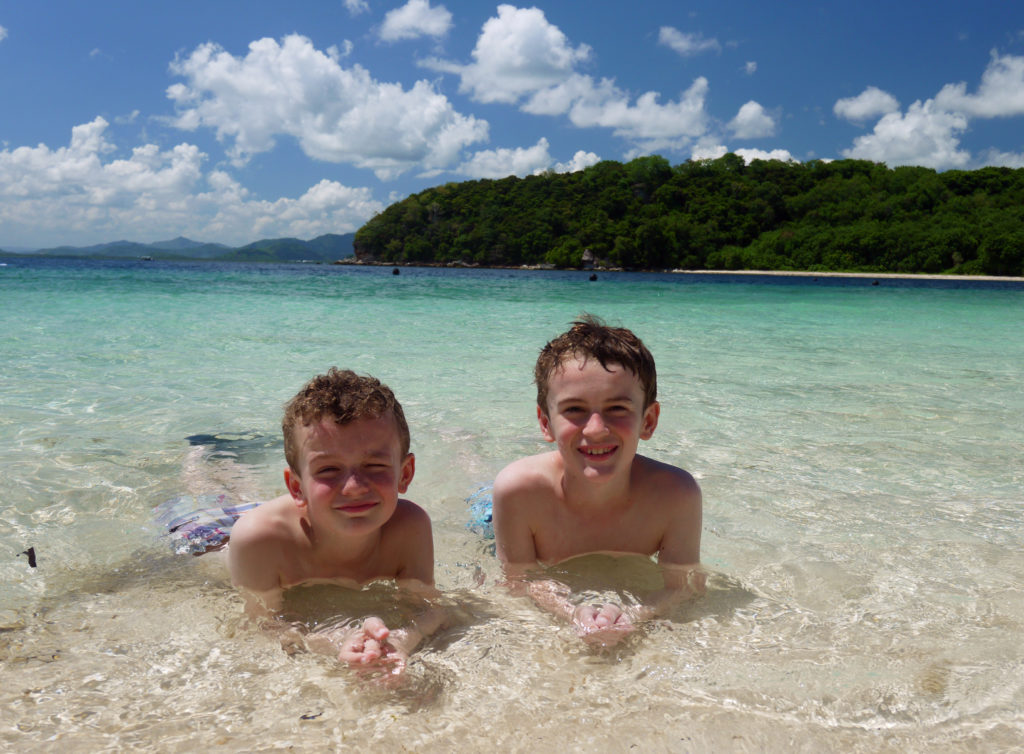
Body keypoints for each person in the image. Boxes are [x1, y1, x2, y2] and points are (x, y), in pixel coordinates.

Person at [491, 315, 704, 646]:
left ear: (648, 421)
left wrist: (633, 614)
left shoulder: (676, 494)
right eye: (574, 409)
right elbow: (519, 580)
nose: (595, 428)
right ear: (545, 423)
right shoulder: (518, 491)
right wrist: (572, 612)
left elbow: (684, 585)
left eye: (617, 408)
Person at [227, 368, 442, 673]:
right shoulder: (259, 539)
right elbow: (261, 627)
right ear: (297, 487)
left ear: (404, 474)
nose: (354, 487)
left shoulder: (410, 527)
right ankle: (208, 457)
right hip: (225, 531)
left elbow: (427, 609)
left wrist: (396, 641)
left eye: (375, 465)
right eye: (328, 470)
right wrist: (334, 641)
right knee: (216, 490)